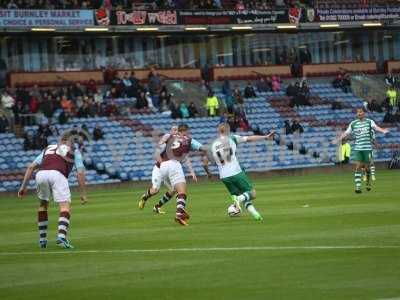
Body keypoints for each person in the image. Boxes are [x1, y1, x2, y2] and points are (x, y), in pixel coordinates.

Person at [17, 133, 87, 249]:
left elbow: (31, 167)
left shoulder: (48, 148)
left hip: (41, 174)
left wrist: (23, 187)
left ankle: (42, 240)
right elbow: (80, 172)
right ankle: (61, 238)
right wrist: (83, 194)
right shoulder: (74, 150)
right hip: (58, 174)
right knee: (64, 207)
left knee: (43, 205)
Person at [138, 124, 210, 225]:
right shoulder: (189, 140)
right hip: (172, 165)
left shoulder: (169, 137)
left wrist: (191, 171)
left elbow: (159, 149)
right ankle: (179, 213)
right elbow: (203, 148)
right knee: (181, 191)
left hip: (163, 166)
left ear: (178, 131)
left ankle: (161, 207)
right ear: (186, 131)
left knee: (173, 190)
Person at [209, 123, 275, 220]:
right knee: (252, 193)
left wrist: (208, 172)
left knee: (244, 195)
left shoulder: (213, 144)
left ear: (218, 131)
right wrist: (265, 136)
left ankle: (255, 214)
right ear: (228, 130)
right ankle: (238, 199)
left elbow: (207, 161)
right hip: (235, 172)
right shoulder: (232, 138)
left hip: (224, 176)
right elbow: (249, 138)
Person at [333, 108, 389, 193]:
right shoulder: (353, 123)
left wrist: (383, 130)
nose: (359, 114)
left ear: (364, 113)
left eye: (361, 112)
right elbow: (346, 133)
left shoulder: (369, 122)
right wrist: (338, 139)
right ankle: (358, 187)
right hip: (358, 149)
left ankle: (368, 182)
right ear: (356, 114)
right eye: (358, 112)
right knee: (358, 166)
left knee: (367, 168)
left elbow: (376, 128)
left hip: (367, 149)